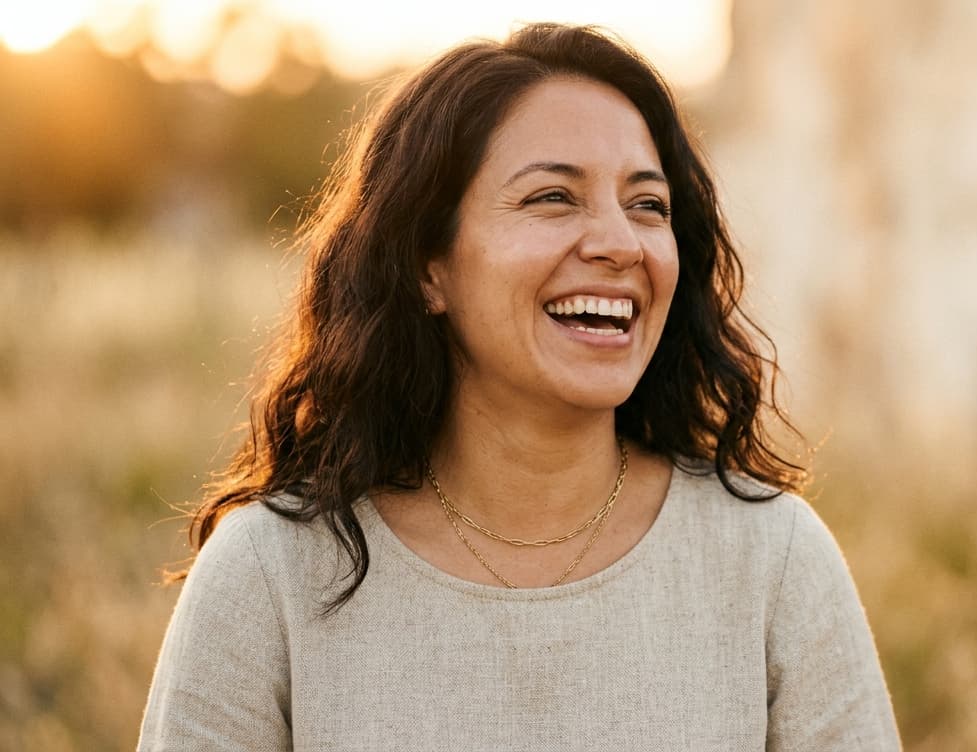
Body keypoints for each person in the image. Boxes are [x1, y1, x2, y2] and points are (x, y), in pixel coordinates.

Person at [138, 23, 899, 751]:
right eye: (552, 198)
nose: (618, 243)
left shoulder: (771, 560)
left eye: (648, 205)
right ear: (429, 265)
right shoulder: (270, 573)